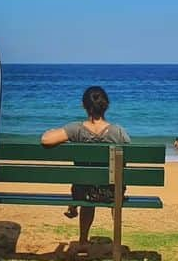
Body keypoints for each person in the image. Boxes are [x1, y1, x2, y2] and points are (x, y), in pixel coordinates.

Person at [41, 86, 130, 251]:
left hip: (84, 193)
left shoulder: (76, 129)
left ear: (84, 106)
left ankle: (82, 239)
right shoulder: (118, 131)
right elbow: (127, 158)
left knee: (86, 186)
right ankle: (116, 241)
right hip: (111, 193)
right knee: (112, 185)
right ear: (106, 106)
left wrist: (50, 131)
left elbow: (46, 140)